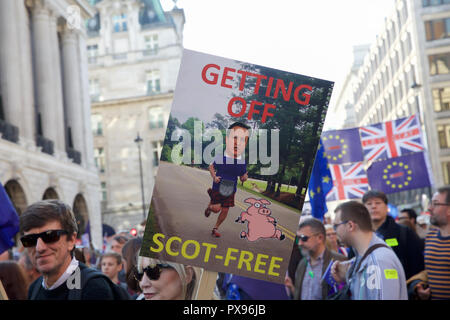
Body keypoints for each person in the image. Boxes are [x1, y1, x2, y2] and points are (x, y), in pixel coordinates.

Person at [19, 200, 115, 300]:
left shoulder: (94, 287)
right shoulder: (35, 288)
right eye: (30, 240)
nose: (39, 248)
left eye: (50, 236)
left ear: (71, 240)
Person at [331, 201, 408, 300]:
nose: (334, 231)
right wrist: (347, 274)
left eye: (336, 226)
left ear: (350, 225)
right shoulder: (364, 256)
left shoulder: (379, 261)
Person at [362, 190, 424, 279]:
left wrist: (414, 285)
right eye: (369, 204)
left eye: (378, 203)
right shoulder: (359, 235)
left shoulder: (404, 232)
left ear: (386, 207)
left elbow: (417, 264)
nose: (374, 206)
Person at [204, 122, 249, 238]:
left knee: (225, 210)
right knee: (216, 209)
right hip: (218, 186)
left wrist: (244, 178)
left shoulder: (242, 161)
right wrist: (214, 176)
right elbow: (211, 166)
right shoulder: (221, 157)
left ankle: (215, 228)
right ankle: (210, 206)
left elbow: (243, 176)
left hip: (231, 188)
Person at [293, 218, 346, 300]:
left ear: (320, 238)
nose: (299, 243)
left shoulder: (339, 261)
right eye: (298, 238)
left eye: (304, 238)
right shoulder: (302, 264)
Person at [412, 186, 450, 300]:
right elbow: (432, 270)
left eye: (435, 204)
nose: (429, 208)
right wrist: (419, 286)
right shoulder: (431, 235)